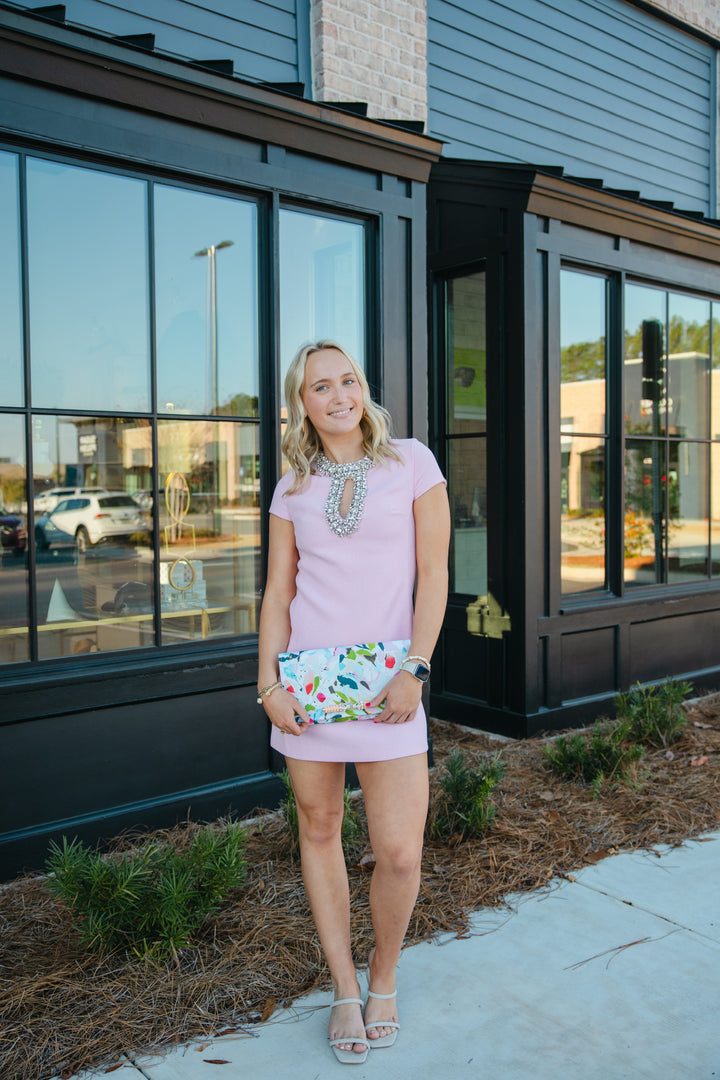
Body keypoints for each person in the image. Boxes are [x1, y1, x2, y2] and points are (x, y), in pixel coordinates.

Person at [257, 341, 450, 1064]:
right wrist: (268, 687)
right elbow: (279, 593)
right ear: (300, 404)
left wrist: (417, 668)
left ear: (363, 388)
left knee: (399, 854)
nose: (339, 395)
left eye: (348, 380)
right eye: (319, 386)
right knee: (319, 829)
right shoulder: (291, 488)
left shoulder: (412, 462)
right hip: (306, 693)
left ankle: (384, 979)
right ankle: (343, 987)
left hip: (391, 691)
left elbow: (434, 574)